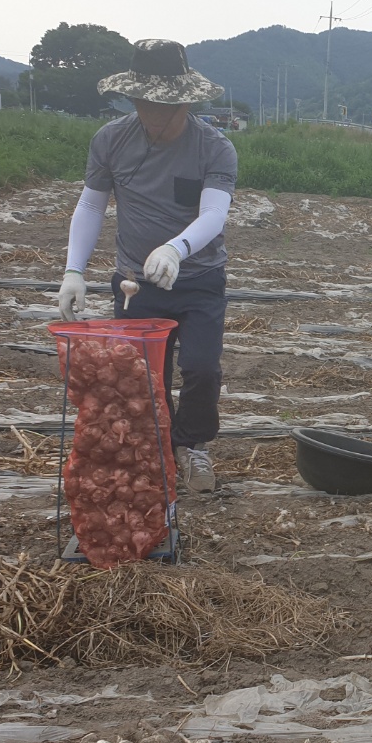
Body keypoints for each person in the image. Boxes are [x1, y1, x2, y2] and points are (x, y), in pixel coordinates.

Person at [56, 39, 236, 494]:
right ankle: (153, 447)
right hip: (137, 281)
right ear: (132, 97)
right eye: (144, 102)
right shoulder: (111, 140)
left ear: (187, 100)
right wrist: (73, 271)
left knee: (201, 368)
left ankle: (191, 444)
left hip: (199, 279)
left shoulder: (214, 147)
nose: (154, 114)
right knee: (141, 376)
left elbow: (214, 214)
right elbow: (92, 205)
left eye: (165, 104)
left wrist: (176, 249)